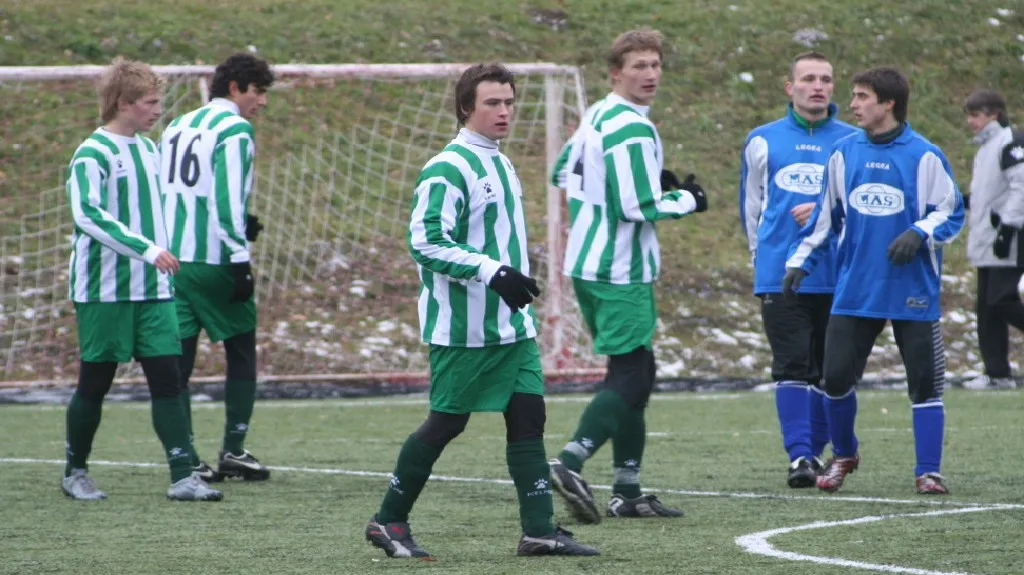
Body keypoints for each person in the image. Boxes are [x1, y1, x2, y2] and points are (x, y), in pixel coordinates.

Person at [363, 63, 599, 559]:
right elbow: (424, 242)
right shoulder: (447, 166)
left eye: (510, 102)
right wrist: (492, 271)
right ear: (467, 106)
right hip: (465, 328)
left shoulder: (500, 161)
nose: (505, 111)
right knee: (446, 424)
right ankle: (388, 521)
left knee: (528, 417)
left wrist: (507, 278)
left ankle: (539, 530)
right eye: (493, 102)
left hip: (511, 325)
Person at [547, 28, 706, 524]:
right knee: (633, 375)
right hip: (620, 268)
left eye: (655, 65)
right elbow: (639, 206)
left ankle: (628, 489)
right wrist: (687, 199)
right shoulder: (634, 128)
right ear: (616, 72)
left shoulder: (598, 113)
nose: (650, 74)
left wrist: (619, 180)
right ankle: (571, 461)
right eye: (639, 66)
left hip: (587, 263)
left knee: (637, 371)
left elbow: (559, 173)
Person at [784, 67, 965, 495]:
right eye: (854, 96)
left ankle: (928, 471)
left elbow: (952, 211)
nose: (853, 104)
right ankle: (844, 454)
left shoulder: (924, 155)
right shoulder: (843, 154)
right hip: (855, 289)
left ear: (888, 104)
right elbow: (826, 219)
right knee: (835, 379)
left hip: (913, 291)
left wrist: (920, 232)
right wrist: (800, 261)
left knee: (924, 384)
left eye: (863, 96)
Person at [62, 57, 223, 502]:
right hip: (104, 289)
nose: (158, 110)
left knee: (167, 378)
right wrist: (149, 250)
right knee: (95, 382)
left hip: (153, 289)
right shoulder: (92, 153)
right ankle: (75, 471)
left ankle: (183, 475)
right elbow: (88, 215)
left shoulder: (150, 150)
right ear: (124, 103)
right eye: (151, 102)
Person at [739, 51, 856, 488]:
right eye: (808, 78)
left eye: (826, 78)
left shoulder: (852, 142)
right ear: (790, 88)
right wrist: (761, 258)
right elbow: (751, 207)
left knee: (833, 371)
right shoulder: (762, 140)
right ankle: (800, 458)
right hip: (779, 274)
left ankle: (825, 451)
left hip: (838, 274)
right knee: (790, 365)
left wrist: (831, 213)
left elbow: (863, 210)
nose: (818, 86)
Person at [160, 53, 274, 482]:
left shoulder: (176, 125)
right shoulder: (235, 129)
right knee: (242, 352)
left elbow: (171, 190)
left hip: (175, 260)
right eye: (258, 91)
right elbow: (225, 200)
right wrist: (241, 258)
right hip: (215, 261)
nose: (261, 102)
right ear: (234, 88)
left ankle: (186, 456)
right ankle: (234, 450)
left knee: (180, 361)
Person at [960, 89, 1024, 391]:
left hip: (1006, 237)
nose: (971, 122)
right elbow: (991, 193)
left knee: (1001, 301)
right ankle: (997, 372)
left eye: (976, 115)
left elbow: (1021, 186)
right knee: (986, 307)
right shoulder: (986, 148)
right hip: (987, 239)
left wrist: (1009, 227)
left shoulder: (1010, 142)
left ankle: (998, 371)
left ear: (993, 115)